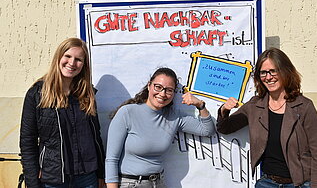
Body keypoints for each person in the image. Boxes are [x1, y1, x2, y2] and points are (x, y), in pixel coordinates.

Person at [216, 48, 317, 188]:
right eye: (263, 72)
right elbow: (225, 128)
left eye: (273, 71)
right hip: (267, 183)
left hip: (299, 184)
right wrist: (224, 110)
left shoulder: (304, 106)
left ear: (285, 71)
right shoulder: (255, 105)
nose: (268, 77)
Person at [105, 67, 216, 188]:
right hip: (131, 183)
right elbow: (111, 159)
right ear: (149, 86)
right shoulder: (127, 112)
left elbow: (207, 130)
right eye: (158, 87)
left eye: (169, 90)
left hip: (158, 183)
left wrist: (200, 105)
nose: (162, 94)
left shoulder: (173, 117)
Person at [20, 38, 105, 188]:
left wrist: (101, 174)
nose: (72, 63)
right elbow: (28, 141)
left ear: (84, 65)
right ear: (59, 57)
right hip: (54, 179)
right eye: (68, 56)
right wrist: (32, 180)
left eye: (78, 59)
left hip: (87, 178)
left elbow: (95, 137)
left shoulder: (87, 94)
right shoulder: (38, 93)